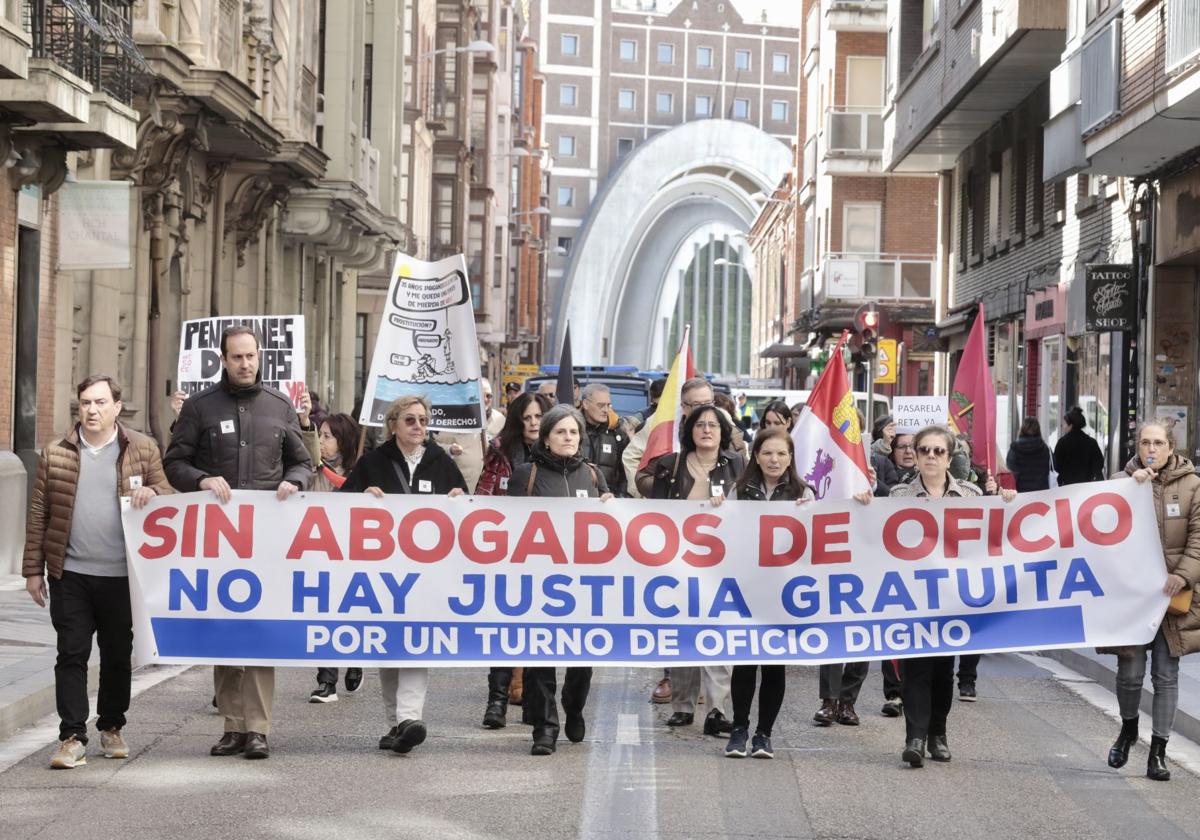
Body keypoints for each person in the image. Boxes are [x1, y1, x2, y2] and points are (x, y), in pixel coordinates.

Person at [164, 325, 312, 760]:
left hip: (266, 541)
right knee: (225, 632)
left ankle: (259, 728)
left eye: (251, 356)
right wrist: (202, 478)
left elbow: (303, 463)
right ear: (223, 360)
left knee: (261, 633)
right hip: (219, 541)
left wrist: (292, 481)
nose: (245, 364)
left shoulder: (280, 406)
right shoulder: (199, 407)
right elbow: (174, 462)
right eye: (237, 357)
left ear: (259, 356)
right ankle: (232, 726)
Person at [23, 375, 172, 769]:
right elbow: (39, 512)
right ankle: (72, 735)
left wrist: (154, 493)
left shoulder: (141, 448)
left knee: (117, 653)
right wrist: (32, 571)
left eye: (100, 403)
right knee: (71, 652)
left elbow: (170, 493)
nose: (92, 410)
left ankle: (111, 726)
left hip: (122, 575)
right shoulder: (55, 451)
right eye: (85, 402)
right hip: (69, 572)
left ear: (117, 407)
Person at [340, 395, 468, 754]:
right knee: (389, 645)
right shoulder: (373, 462)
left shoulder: (441, 462)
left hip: (427, 574)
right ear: (393, 423)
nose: (418, 427)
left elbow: (466, 510)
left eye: (423, 421)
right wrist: (361, 496)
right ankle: (395, 724)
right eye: (410, 420)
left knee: (416, 641)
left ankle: (410, 717)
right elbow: (341, 504)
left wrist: (459, 498)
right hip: (384, 573)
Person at [888, 425, 1015, 767]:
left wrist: (1006, 503)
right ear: (914, 454)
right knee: (916, 669)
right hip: (913, 597)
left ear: (949, 457)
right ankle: (914, 737)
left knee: (944, 672)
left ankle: (937, 733)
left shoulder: (971, 496)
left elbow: (997, 534)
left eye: (938, 451)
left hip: (955, 599)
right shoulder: (898, 496)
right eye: (925, 450)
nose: (931, 456)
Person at [508, 404, 614, 755]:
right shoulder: (527, 474)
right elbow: (506, 523)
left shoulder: (595, 476)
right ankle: (545, 727)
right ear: (547, 437)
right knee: (541, 657)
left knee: (582, 660)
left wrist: (612, 505)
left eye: (573, 432)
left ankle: (574, 705)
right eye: (560, 432)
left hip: (584, 585)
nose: (568, 438)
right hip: (540, 582)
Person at [1102, 419, 1200, 782]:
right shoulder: (1118, 483)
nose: (1151, 449)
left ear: (1170, 449)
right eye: (1145, 443)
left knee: (1165, 674)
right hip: (1131, 597)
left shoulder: (1192, 486)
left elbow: (1198, 537)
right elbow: (1095, 531)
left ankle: (1158, 750)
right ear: (1137, 446)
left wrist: (1183, 574)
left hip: (1173, 598)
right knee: (1129, 673)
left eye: (1158, 443)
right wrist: (1129, 489)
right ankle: (1128, 730)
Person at [648, 405, 745, 737]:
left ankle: (717, 709)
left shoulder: (737, 465)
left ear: (723, 432)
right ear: (689, 431)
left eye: (713, 425)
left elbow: (755, 508)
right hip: (677, 564)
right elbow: (654, 514)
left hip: (722, 565)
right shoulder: (669, 465)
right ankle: (683, 705)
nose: (706, 430)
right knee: (683, 636)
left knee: (718, 634)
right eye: (700, 424)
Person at [718, 429, 813, 758]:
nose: (775, 460)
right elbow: (721, 532)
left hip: (784, 593)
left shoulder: (804, 493)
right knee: (745, 662)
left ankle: (764, 735)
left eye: (781, 454)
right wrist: (715, 508)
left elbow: (818, 543)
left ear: (790, 458)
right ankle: (739, 729)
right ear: (756, 455)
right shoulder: (740, 490)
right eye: (768, 453)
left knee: (774, 665)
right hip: (747, 588)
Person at [474, 391, 552, 727]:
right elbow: (484, 495)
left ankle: (534, 700)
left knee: (539, 630)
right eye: (528, 418)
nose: (534, 423)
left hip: (547, 556)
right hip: (506, 552)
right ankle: (497, 702)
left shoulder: (560, 453)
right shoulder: (501, 454)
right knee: (505, 627)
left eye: (539, 417)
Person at [308, 413, 365, 702]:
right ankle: (326, 681)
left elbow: (348, 486)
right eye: (319, 435)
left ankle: (355, 660)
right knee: (324, 613)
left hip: (352, 553)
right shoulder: (311, 470)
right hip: (320, 553)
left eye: (328, 436)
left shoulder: (362, 470)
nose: (321, 441)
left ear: (344, 441)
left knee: (351, 611)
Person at [579, 383, 629, 496]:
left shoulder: (617, 434)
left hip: (608, 503)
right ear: (585, 404)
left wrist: (619, 496)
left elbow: (625, 472)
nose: (606, 410)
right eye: (601, 405)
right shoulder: (572, 430)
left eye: (608, 405)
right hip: (577, 501)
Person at [1054, 406, 1105, 485]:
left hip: (1067, 487)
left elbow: (1056, 466)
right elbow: (1099, 464)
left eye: (1064, 424)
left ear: (1071, 425)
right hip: (1087, 486)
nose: (1063, 426)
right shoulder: (1091, 442)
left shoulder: (1062, 442)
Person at [1006, 417, 1052, 492]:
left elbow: (1011, 474)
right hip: (1042, 494)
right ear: (1038, 430)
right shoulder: (1045, 448)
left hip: (1020, 495)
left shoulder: (1014, 449)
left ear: (1022, 429)